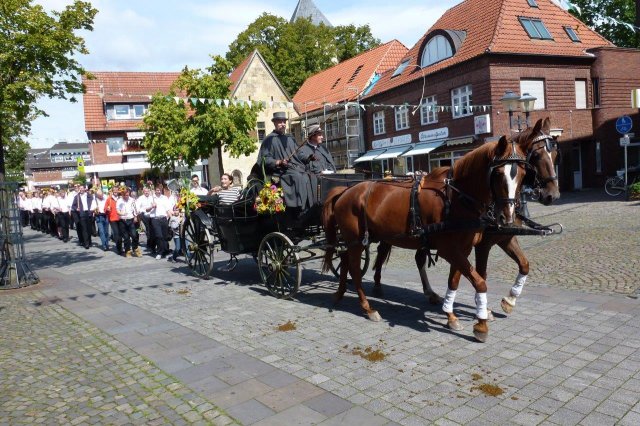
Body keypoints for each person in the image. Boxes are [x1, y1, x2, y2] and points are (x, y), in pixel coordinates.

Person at [256, 111, 313, 212]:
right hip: (280, 171)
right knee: (298, 177)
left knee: (310, 175)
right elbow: (265, 159)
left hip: (295, 167)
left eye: (284, 122)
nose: (282, 124)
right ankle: (299, 208)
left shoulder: (290, 138)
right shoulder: (269, 140)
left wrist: (308, 158)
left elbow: (299, 153)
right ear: (274, 123)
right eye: (280, 122)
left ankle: (311, 204)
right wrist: (279, 162)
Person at [298, 124, 337, 204]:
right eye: (319, 135)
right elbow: (303, 169)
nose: (322, 137)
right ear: (312, 136)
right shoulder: (302, 150)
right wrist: (319, 172)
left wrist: (329, 171)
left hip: (329, 180)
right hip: (314, 185)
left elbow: (331, 164)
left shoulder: (324, 149)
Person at [149, 186, 172, 259]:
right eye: (157, 190)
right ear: (154, 190)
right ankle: (159, 252)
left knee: (165, 236)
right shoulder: (151, 198)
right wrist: (152, 207)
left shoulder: (164, 198)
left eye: (159, 190)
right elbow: (146, 210)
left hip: (163, 218)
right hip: (155, 219)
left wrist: (172, 216)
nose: (158, 191)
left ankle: (165, 252)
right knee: (159, 236)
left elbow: (168, 209)